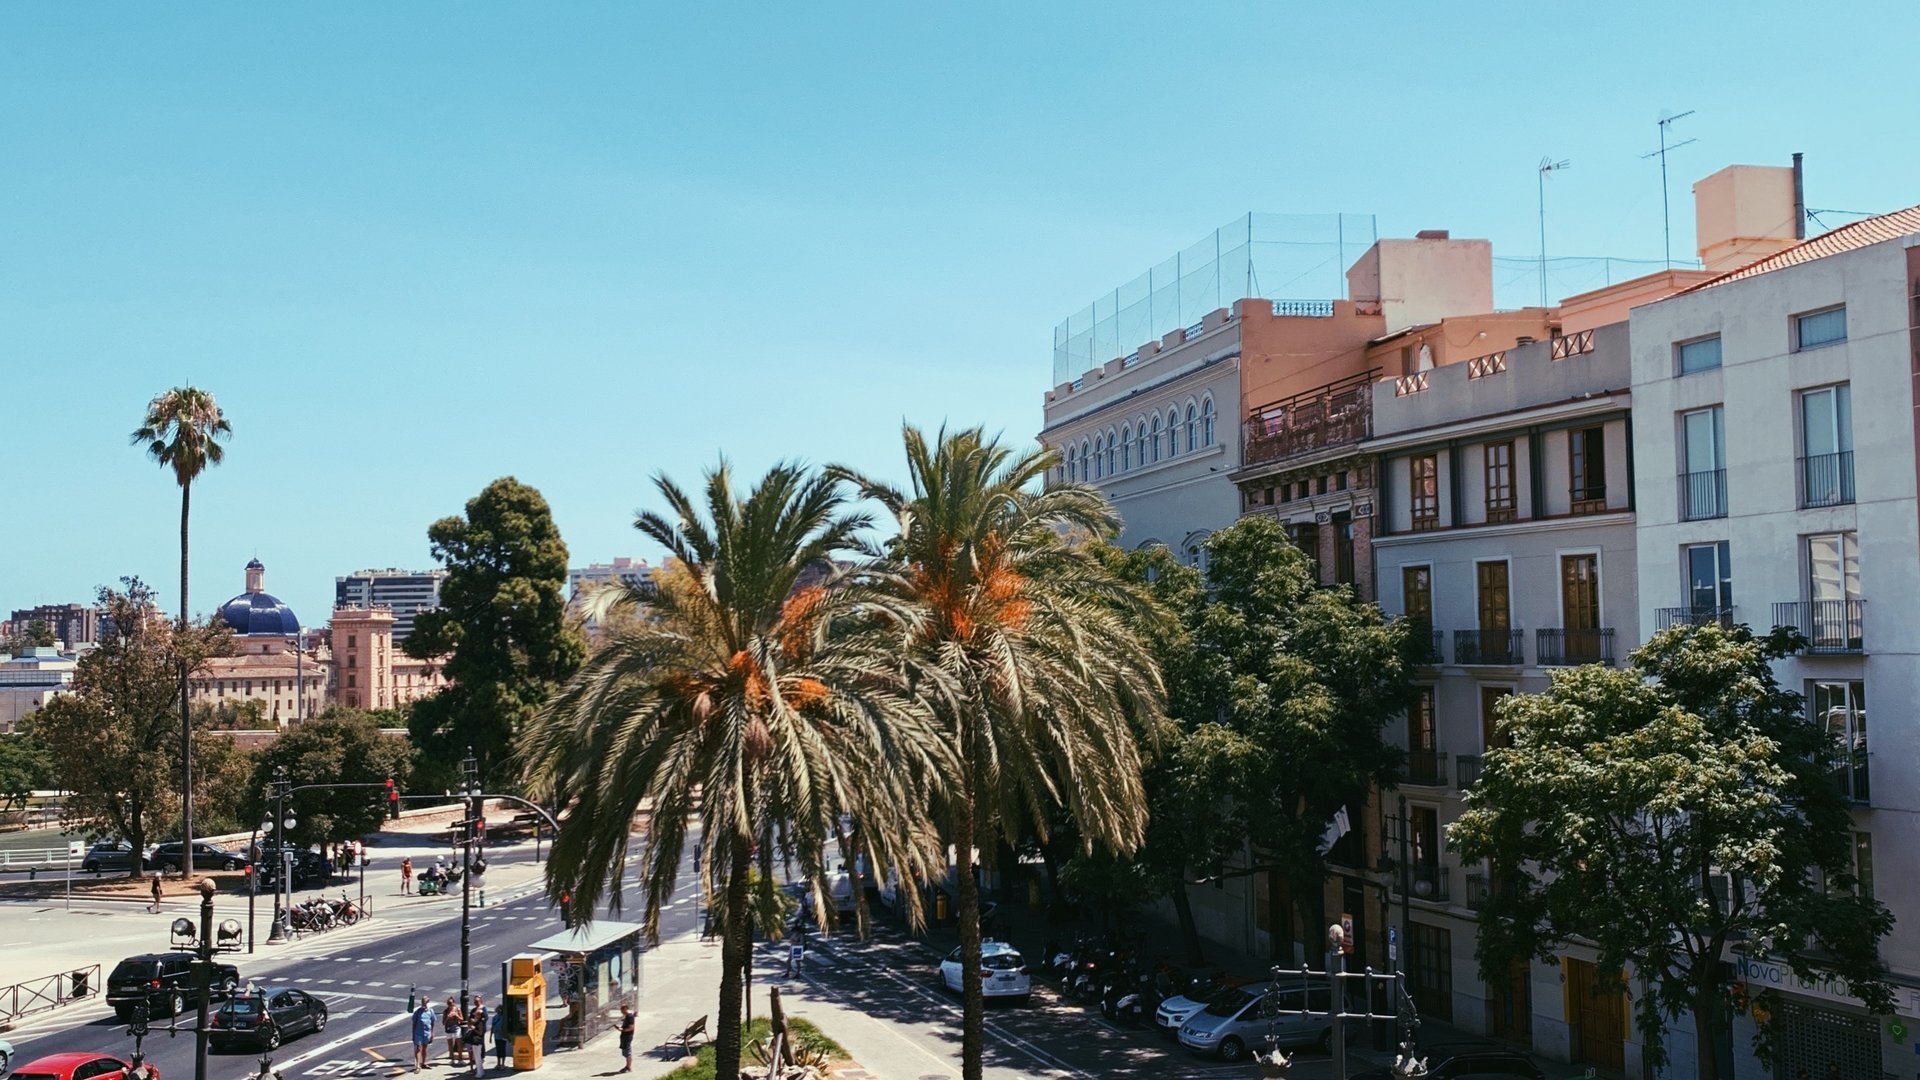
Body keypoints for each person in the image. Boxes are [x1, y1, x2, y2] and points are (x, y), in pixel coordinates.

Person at [411, 996, 437, 1073]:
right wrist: (413, 1034)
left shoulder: (430, 1011)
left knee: (425, 1048)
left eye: (425, 1002)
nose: (423, 1004)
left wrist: (432, 1033)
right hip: (418, 1033)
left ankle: (424, 1063)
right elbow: (414, 1024)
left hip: (427, 1033)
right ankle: (417, 1065)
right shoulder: (418, 1012)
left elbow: (432, 1022)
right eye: (422, 1002)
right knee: (418, 1048)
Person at [464, 995, 488, 1077]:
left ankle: (480, 1071)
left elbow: (484, 1020)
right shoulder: (474, 1011)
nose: (475, 1003)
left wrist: (474, 1027)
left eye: (477, 1001)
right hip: (474, 1035)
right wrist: (471, 1023)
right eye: (475, 1001)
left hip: (478, 1036)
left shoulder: (482, 1012)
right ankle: (478, 1069)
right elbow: (469, 1019)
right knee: (474, 1053)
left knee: (478, 1055)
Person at [443, 996, 465, 1065]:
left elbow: (462, 1019)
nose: (450, 1005)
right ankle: (452, 1059)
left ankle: (460, 1059)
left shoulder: (457, 1009)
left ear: (454, 1003)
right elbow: (443, 1023)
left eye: (451, 1003)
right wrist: (447, 1017)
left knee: (459, 1043)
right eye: (448, 1003)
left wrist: (456, 1015)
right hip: (448, 1029)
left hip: (456, 1028)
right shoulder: (446, 1011)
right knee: (450, 1044)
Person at [617, 1003, 635, 1073]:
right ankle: (627, 1066)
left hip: (628, 1036)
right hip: (624, 1036)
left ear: (626, 1009)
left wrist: (623, 1030)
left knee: (627, 1052)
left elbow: (631, 1028)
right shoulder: (626, 1016)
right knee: (625, 1051)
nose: (621, 1011)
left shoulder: (630, 1017)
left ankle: (628, 1067)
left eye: (622, 1010)